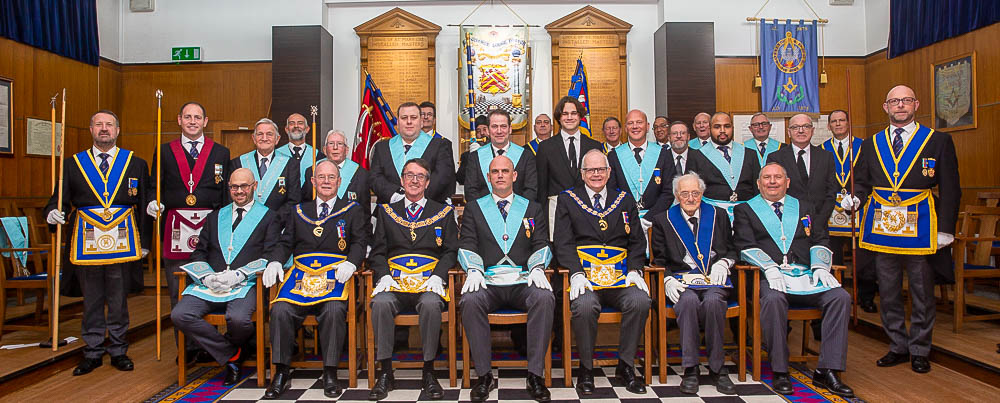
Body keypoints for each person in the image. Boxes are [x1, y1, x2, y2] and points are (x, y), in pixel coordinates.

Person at [845, 85, 960, 374]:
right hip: (882, 224)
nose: (900, 105)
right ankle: (897, 344)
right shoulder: (871, 144)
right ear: (885, 107)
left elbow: (950, 187)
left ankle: (920, 348)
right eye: (894, 101)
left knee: (921, 289)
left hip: (920, 224)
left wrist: (946, 228)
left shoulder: (937, 141)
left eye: (905, 100)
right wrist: (855, 196)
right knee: (889, 289)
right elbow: (861, 180)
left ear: (916, 104)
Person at [733, 163, 854, 397]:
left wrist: (820, 267)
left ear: (787, 182)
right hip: (769, 275)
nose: (772, 182)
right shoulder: (746, 210)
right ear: (758, 184)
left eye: (778, 177)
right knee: (773, 299)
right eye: (766, 178)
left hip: (807, 275)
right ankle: (780, 370)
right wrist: (769, 267)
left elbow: (820, 238)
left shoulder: (804, 207)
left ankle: (828, 370)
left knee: (840, 297)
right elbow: (744, 245)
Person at [45, 110, 150, 375]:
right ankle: (91, 351)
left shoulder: (135, 164)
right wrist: (52, 213)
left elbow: (144, 203)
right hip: (87, 241)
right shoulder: (72, 165)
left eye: (109, 125)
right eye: (99, 124)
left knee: (118, 298)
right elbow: (58, 199)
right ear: (91, 129)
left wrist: (145, 242)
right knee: (91, 298)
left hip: (123, 241)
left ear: (117, 130)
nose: (104, 129)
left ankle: (118, 349)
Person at [262, 160, 369, 399]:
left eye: (332, 177)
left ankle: (330, 372)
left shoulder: (352, 210)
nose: (327, 182)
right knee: (279, 310)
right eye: (322, 177)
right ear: (313, 182)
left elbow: (360, 242)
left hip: (334, 279)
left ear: (339, 182)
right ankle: (281, 371)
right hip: (301, 280)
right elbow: (286, 242)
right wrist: (276, 261)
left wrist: (351, 263)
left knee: (332, 311)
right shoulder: (299, 210)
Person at [170, 168, 280, 386]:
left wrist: (240, 274)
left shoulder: (269, 217)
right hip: (212, 283)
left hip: (246, 283)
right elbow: (199, 251)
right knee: (180, 314)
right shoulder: (216, 217)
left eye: (244, 186)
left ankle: (229, 352)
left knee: (238, 319)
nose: (239, 191)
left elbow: (270, 254)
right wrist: (206, 276)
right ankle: (232, 354)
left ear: (254, 187)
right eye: (234, 187)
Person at [458, 156, 553, 403]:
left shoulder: (532, 207)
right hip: (488, 282)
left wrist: (537, 268)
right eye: (495, 171)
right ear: (488, 177)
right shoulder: (474, 207)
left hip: (522, 282)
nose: (500, 175)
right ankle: (483, 376)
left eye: (505, 171)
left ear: (515, 176)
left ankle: (535, 375)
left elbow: (541, 242)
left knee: (544, 297)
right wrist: (474, 270)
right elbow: (467, 242)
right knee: (470, 300)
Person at [555, 150, 650, 395]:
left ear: (609, 172)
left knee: (640, 301)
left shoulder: (625, 199)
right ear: (582, 173)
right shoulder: (568, 199)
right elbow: (562, 243)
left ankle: (625, 366)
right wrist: (575, 273)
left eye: (600, 170)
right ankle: (586, 369)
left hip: (620, 279)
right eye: (590, 170)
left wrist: (635, 270)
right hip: (585, 280)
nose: (596, 174)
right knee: (585, 307)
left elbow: (637, 241)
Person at [146, 101, 231, 361]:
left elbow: (226, 196)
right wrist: (152, 201)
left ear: (206, 122)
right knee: (178, 289)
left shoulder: (220, 152)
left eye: (198, 117)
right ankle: (186, 350)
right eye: (188, 117)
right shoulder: (164, 151)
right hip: (176, 227)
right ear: (179, 120)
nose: (193, 121)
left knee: (213, 288)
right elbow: (153, 186)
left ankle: (211, 346)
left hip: (210, 228)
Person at [368, 158, 458, 401]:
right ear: (401, 180)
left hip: (428, 283)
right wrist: (384, 275)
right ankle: (385, 372)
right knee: (380, 304)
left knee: (431, 304)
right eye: (409, 175)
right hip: (394, 283)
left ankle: (428, 372)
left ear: (427, 182)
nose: (414, 180)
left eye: (420, 176)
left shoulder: (443, 212)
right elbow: (377, 252)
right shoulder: (387, 212)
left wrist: (439, 276)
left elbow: (451, 250)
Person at [650, 172, 736, 395]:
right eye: (685, 193)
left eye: (695, 193)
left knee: (713, 303)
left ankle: (718, 368)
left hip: (713, 281)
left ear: (702, 194)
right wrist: (667, 278)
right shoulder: (664, 220)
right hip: (682, 283)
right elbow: (658, 260)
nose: (690, 198)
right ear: (677, 195)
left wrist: (724, 262)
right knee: (686, 302)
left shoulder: (718, 215)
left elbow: (731, 249)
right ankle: (690, 368)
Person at [822, 110, 876, 313]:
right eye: (833, 121)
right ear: (828, 126)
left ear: (848, 123)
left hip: (859, 207)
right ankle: (837, 296)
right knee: (833, 256)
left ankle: (866, 296)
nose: (838, 124)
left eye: (842, 120)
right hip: (832, 210)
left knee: (864, 257)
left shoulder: (865, 147)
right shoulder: (822, 149)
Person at [370, 102, 455, 204]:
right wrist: (395, 196)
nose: (409, 122)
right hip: (390, 209)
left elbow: (442, 178)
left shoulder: (439, 145)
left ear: (421, 122)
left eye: (413, 117)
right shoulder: (382, 147)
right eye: (404, 118)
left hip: (429, 211)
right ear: (397, 122)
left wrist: (417, 198)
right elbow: (375, 178)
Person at [766, 113, 838, 227]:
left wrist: (820, 220)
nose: (801, 131)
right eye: (795, 127)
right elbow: (773, 192)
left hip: (820, 222)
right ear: (788, 132)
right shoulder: (775, 158)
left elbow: (831, 191)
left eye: (806, 126)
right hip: (787, 223)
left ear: (812, 130)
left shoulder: (826, 157)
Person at [607, 109, 675, 226]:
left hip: (657, 221)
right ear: (625, 128)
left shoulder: (663, 154)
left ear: (647, 126)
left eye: (639, 122)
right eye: (630, 123)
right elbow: (611, 191)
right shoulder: (614, 156)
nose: (635, 126)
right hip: (624, 221)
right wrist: (629, 216)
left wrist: (649, 218)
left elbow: (669, 192)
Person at [688, 112, 760, 220]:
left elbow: (757, 187)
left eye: (727, 126)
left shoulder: (750, 154)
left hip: (746, 214)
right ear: (710, 129)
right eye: (717, 127)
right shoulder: (696, 156)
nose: (722, 130)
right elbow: (693, 190)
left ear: (732, 128)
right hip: (712, 214)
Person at [228, 118, 301, 216]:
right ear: (254, 138)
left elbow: (294, 200)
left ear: (277, 139)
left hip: (278, 223)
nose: (264, 138)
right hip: (245, 221)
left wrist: (273, 220)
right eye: (260, 134)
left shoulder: (290, 164)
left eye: (269, 134)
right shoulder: (238, 163)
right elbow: (230, 196)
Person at [464, 109, 538, 201]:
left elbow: (531, 190)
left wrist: (513, 211)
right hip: (483, 213)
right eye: (494, 126)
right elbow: (471, 191)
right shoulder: (475, 157)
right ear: (487, 130)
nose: (499, 131)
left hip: (518, 213)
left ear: (510, 129)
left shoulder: (526, 156)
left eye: (503, 126)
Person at [301, 130, 371, 220]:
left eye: (340, 143)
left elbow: (365, 212)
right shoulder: (312, 171)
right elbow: (306, 203)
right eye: (331, 143)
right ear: (324, 150)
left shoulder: (361, 174)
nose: (335, 147)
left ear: (346, 150)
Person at [276, 113, 323, 188]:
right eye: (292, 123)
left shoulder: (318, 156)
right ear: (286, 129)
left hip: (309, 199)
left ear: (307, 129)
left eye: (300, 123)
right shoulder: (277, 155)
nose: (296, 126)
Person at [457, 115, 490, 187]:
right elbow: (461, 179)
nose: (482, 133)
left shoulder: (498, 151)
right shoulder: (466, 156)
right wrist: (472, 157)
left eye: (485, 129)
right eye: (478, 131)